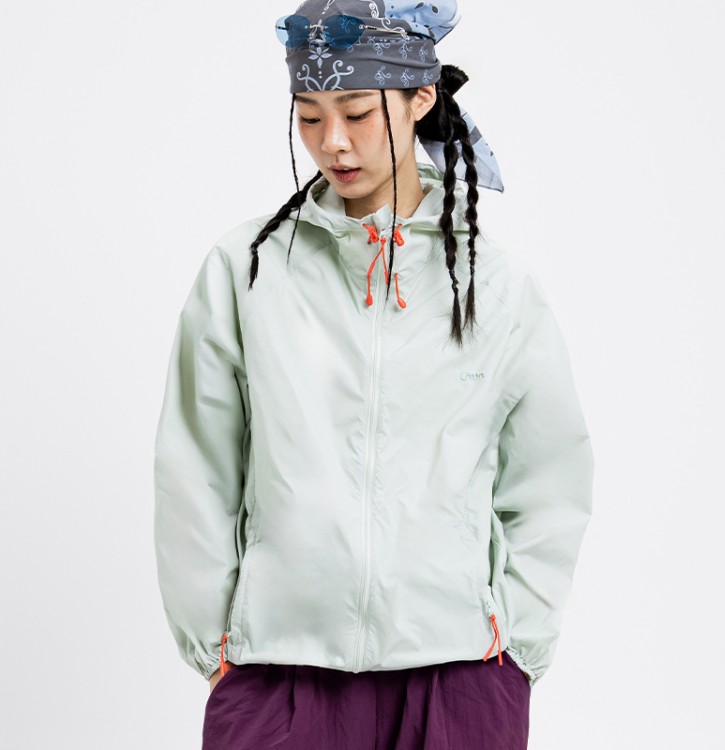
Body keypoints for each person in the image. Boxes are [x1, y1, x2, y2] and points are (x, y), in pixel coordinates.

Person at [153, 1, 594, 748]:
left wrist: (518, 648)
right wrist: (214, 642)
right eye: (309, 115)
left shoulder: (496, 286)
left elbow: (548, 478)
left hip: (458, 673)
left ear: (420, 97)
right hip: (277, 668)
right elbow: (196, 467)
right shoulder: (246, 271)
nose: (332, 141)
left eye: (357, 113)